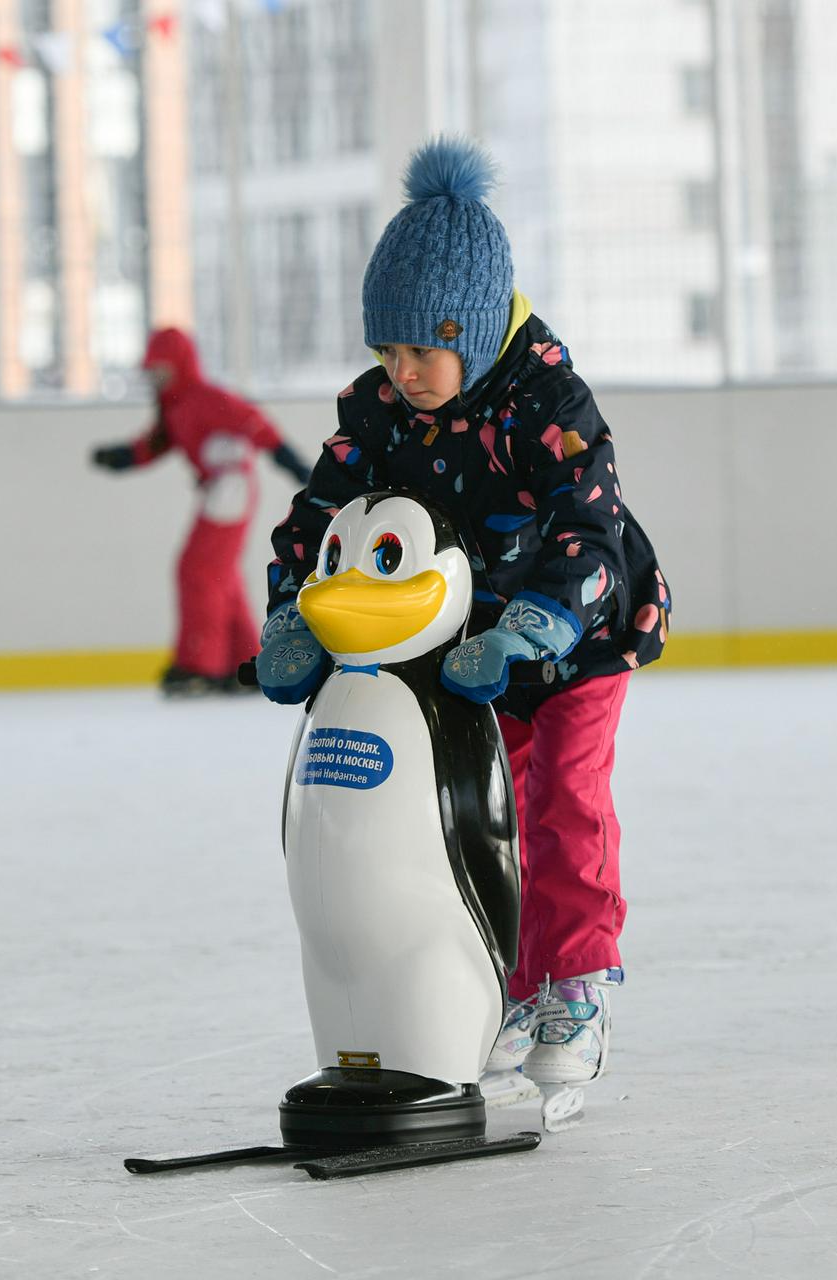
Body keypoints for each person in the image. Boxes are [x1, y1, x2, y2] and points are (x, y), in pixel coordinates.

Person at [257, 137, 672, 1097]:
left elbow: (592, 526)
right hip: (464, 650)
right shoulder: (379, 411)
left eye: (422, 349)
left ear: (475, 331)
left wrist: (537, 626)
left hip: (577, 641)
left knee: (564, 803)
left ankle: (575, 986)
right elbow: (319, 517)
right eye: (386, 350)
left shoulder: (547, 403)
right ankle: (513, 987)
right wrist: (290, 616)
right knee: (490, 820)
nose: (402, 372)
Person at [93, 326, 313, 697]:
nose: (157, 379)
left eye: (162, 370)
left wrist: (293, 464)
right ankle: (243, 663)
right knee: (219, 575)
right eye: (153, 372)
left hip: (230, 491)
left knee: (198, 571)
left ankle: (200, 665)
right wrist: (123, 457)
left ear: (181, 365)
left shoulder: (204, 398)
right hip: (220, 492)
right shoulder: (176, 405)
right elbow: (158, 443)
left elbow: (255, 424)